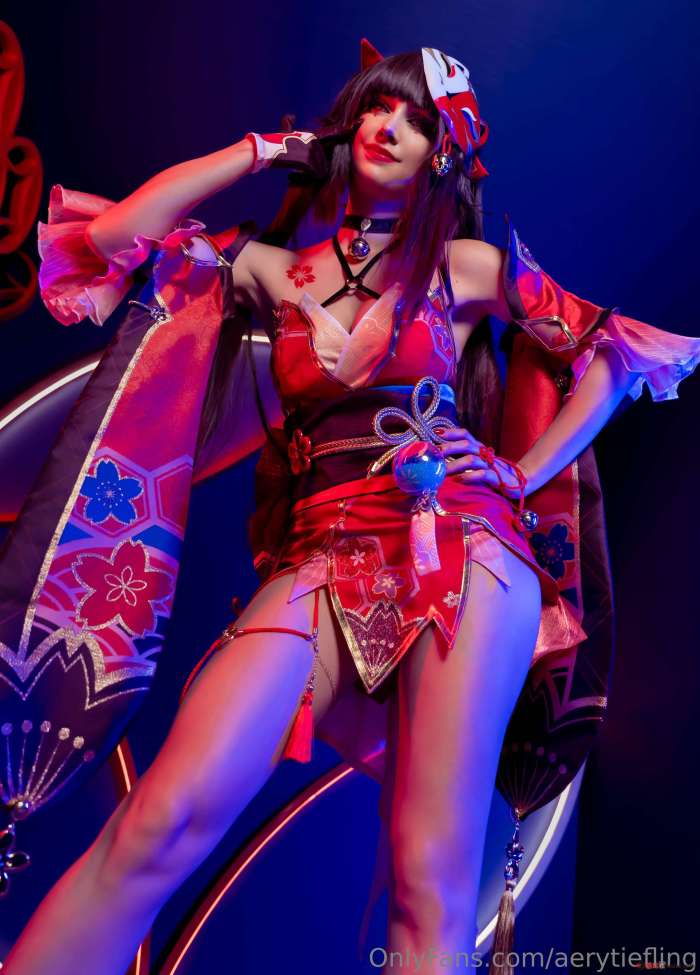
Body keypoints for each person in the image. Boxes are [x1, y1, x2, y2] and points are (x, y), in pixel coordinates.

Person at [4, 42, 699, 975]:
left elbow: (618, 350)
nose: (390, 126)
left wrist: (522, 473)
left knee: (426, 880)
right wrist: (264, 149)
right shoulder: (272, 270)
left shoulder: (465, 266)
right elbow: (124, 232)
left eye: (416, 119)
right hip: (319, 550)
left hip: (458, 547)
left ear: (443, 155)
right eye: (377, 105)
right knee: (156, 822)